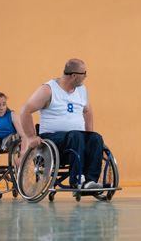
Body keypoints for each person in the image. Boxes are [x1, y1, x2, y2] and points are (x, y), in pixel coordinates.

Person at [19, 58, 103, 189]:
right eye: (84, 73)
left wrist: (88, 135)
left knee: (96, 138)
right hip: (53, 139)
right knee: (76, 136)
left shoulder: (82, 90)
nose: (86, 76)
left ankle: (90, 181)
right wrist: (31, 137)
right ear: (74, 76)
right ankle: (76, 180)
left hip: (75, 138)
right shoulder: (48, 89)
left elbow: (87, 112)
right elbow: (25, 110)